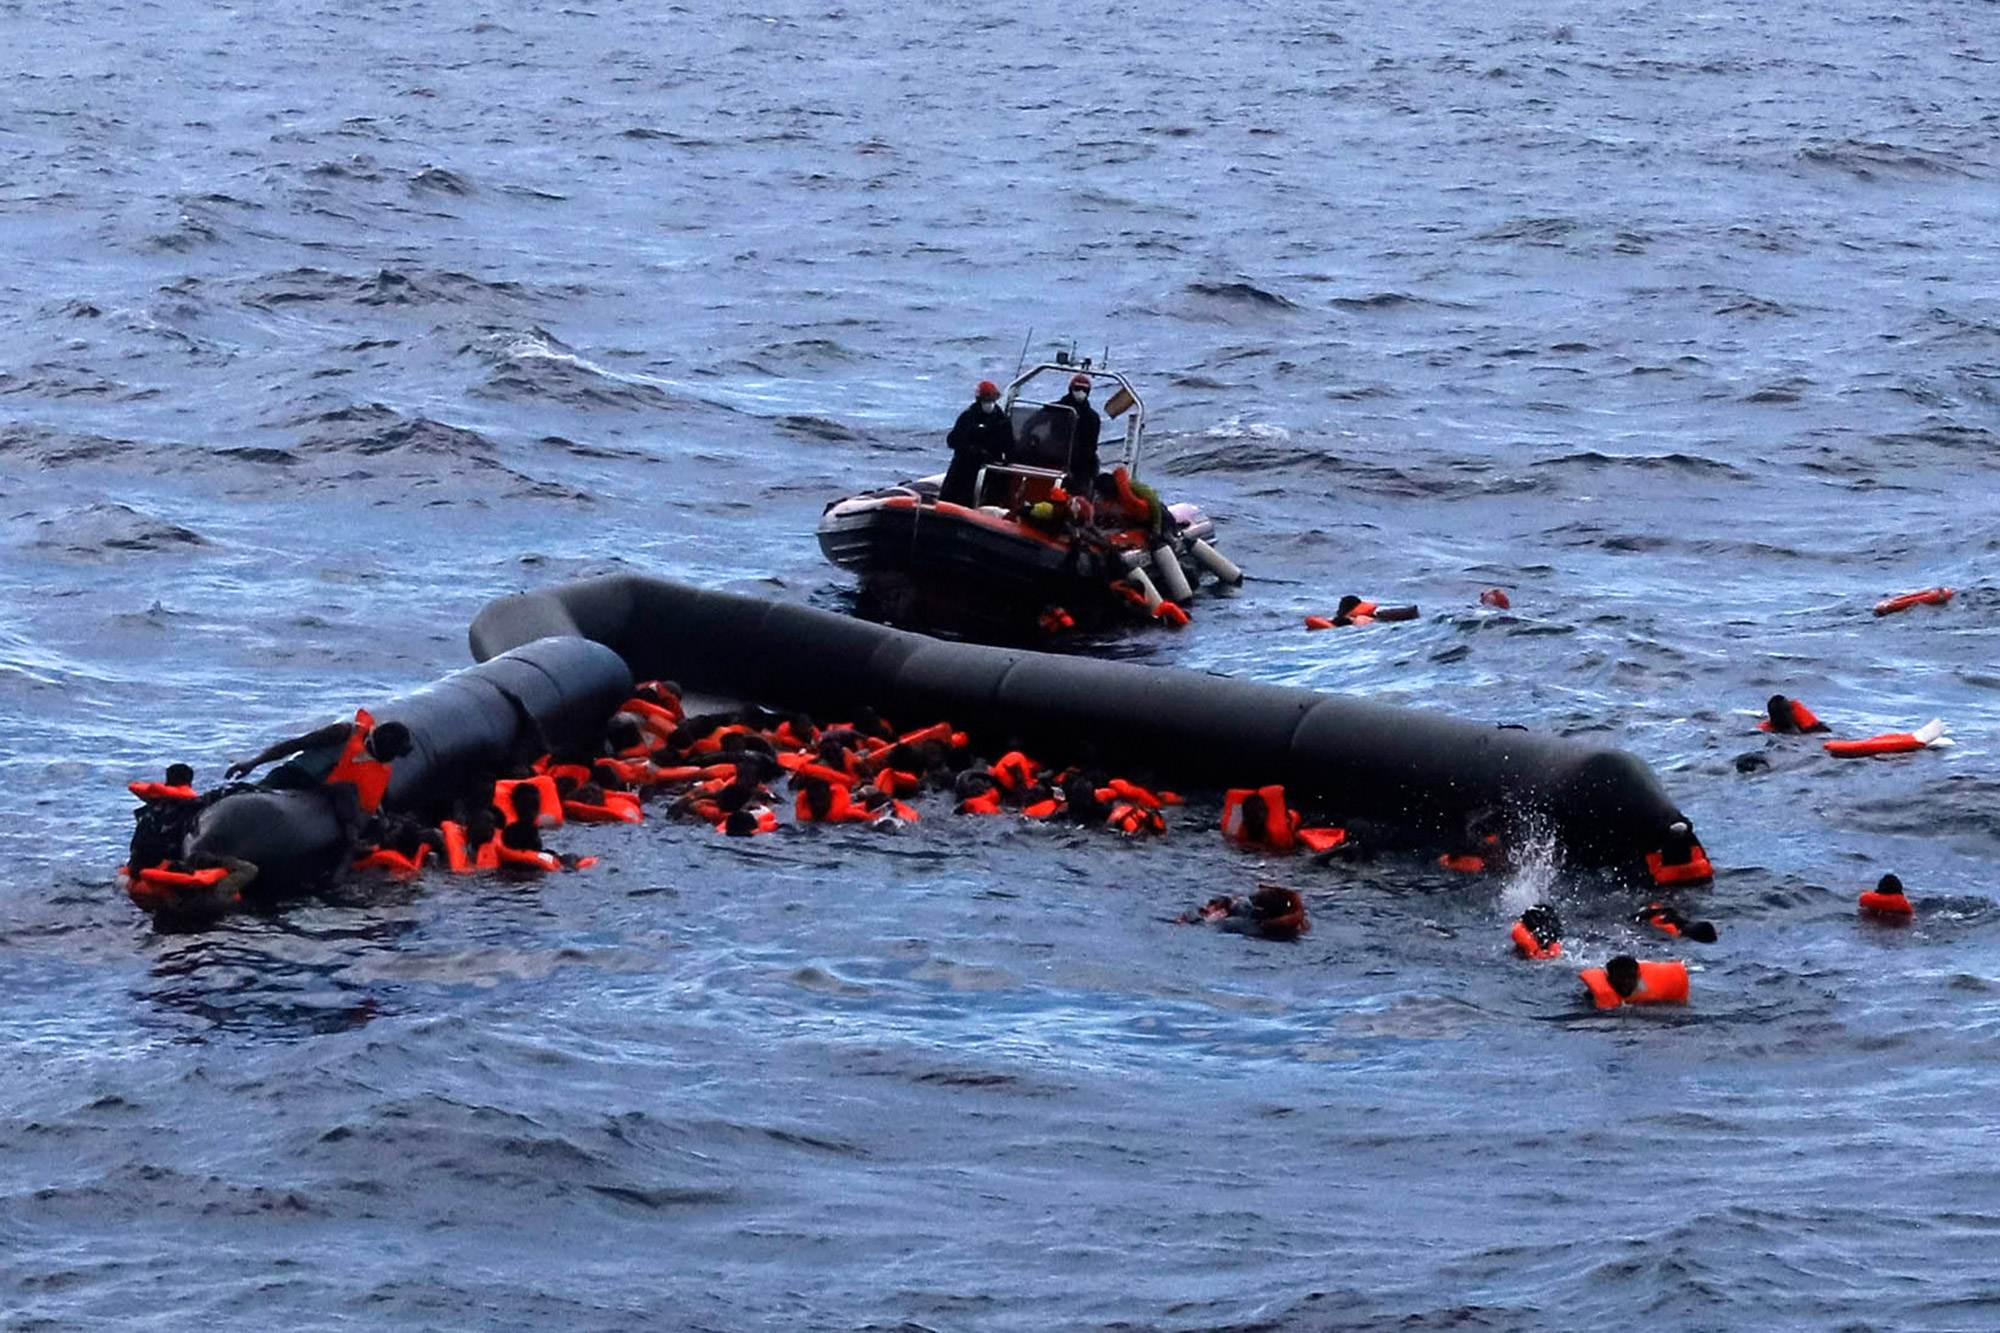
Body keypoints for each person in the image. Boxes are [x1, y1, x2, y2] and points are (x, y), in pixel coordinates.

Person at [224, 708, 414, 828]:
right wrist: (253, 763)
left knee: (348, 795)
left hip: (319, 791)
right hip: (293, 775)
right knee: (249, 795)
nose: (390, 759)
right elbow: (295, 745)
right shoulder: (344, 733)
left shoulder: (377, 765)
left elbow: (369, 796)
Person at [941, 380, 1014, 506]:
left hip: (986, 466)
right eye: (986, 399)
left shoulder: (1002, 421)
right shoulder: (968, 417)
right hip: (962, 463)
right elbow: (952, 440)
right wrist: (968, 448)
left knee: (971, 495)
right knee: (950, 493)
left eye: (992, 399)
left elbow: (1008, 446)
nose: (989, 403)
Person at [1060, 373, 1102, 492]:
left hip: (1080, 462)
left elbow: (1092, 445)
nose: (1080, 392)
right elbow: (1034, 422)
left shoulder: (1092, 417)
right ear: (1071, 389)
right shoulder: (1056, 408)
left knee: (1092, 463)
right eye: (1077, 388)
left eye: (1084, 389)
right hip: (1054, 453)